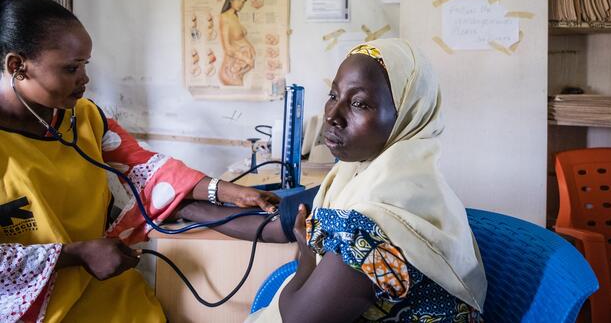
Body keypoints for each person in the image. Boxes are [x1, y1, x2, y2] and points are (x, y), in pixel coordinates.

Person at [0, 0, 279, 323]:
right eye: (71, 68)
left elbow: (148, 168)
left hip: (111, 294)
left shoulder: (85, 118)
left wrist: (227, 192)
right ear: (17, 66)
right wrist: (75, 254)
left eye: (85, 64)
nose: (84, 79)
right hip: (40, 308)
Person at [177, 38, 487, 322]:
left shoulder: (377, 217)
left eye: (359, 103)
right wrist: (182, 206)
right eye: (333, 95)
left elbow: (298, 319)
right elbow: (279, 223)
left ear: (407, 114)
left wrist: (307, 257)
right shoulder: (369, 175)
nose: (332, 115)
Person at [219, 0, 255, 86]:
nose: (241, 4)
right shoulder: (225, 17)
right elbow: (228, 49)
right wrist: (246, 59)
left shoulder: (234, 16)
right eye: (239, 0)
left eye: (243, 1)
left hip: (239, 69)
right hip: (231, 70)